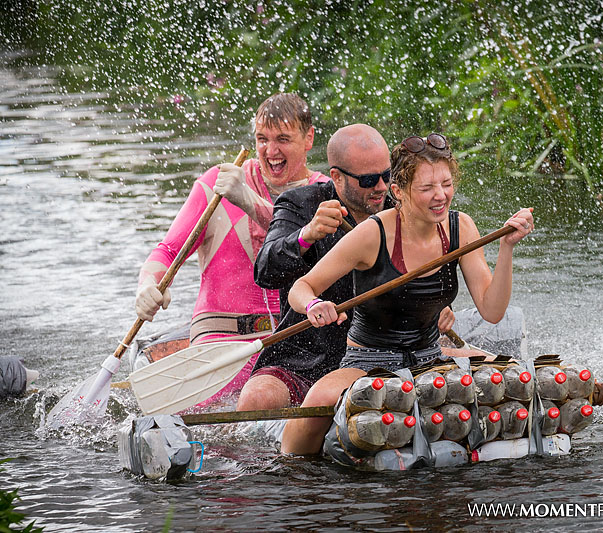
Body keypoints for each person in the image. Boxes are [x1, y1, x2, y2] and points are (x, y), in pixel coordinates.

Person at [281, 132, 534, 454]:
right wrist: (315, 304)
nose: (440, 195)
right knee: (318, 401)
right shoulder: (373, 233)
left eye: (446, 184)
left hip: (430, 356)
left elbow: (492, 311)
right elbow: (301, 288)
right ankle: (289, 468)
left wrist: (506, 248)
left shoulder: (461, 228)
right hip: (368, 361)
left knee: (517, 379)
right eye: (427, 188)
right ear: (398, 192)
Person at [236, 124, 456, 410]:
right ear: (337, 178)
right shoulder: (299, 204)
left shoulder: (404, 205)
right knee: (256, 399)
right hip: (304, 356)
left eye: (386, 176)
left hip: (382, 354)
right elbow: (265, 271)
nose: (381, 187)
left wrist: (433, 306)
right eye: (367, 180)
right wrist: (307, 235)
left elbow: (430, 266)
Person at [134, 92, 328, 405]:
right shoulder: (218, 183)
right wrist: (146, 286)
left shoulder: (322, 194)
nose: (271, 151)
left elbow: (304, 242)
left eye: (283, 139)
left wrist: (248, 201)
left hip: (291, 345)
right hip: (219, 340)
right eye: (262, 139)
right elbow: (167, 252)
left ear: (308, 139)